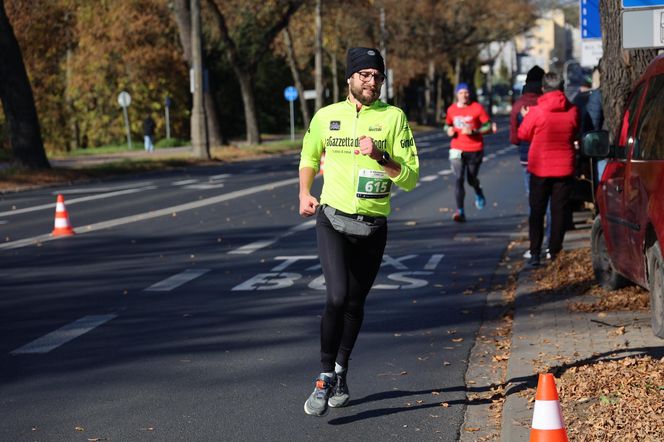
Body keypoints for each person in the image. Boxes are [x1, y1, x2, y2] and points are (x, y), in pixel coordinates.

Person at [298, 47, 419, 417]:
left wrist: (382, 156)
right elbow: (308, 155)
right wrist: (304, 192)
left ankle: (341, 370)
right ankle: (323, 377)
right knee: (336, 297)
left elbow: (412, 178)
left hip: (372, 226)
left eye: (377, 76)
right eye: (365, 75)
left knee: (354, 302)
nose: (372, 82)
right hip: (332, 218)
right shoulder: (326, 116)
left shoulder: (394, 118)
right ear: (349, 78)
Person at [518, 72, 579, 267]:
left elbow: (523, 134)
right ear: (561, 88)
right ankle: (554, 252)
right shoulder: (572, 110)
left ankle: (535, 253)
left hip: (540, 166)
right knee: (559, 211)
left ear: (543, 89)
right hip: (564, 166)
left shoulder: (537, 111)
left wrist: (526, 117)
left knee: (537, 211)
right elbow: (575, 131)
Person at [444, 82, 496, 222]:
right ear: (457, 94)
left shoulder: (477, 108)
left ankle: (478, 190)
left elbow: (489, 126)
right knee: (459, 178)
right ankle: (460, 211)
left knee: (471, 179)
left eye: (466, 92)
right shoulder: (451, 110)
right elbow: (447, 124)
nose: (464, 95)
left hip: (475, 149)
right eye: (461, 93)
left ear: (469, 94)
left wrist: (474, 131)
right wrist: (448, 130)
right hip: (457, 148)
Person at [510, 65, 544, 194]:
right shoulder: (547, 102)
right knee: (548, 196)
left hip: (527, 156)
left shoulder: (518, 106)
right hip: (547, 154)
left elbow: (514, 138)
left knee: (532, 193)